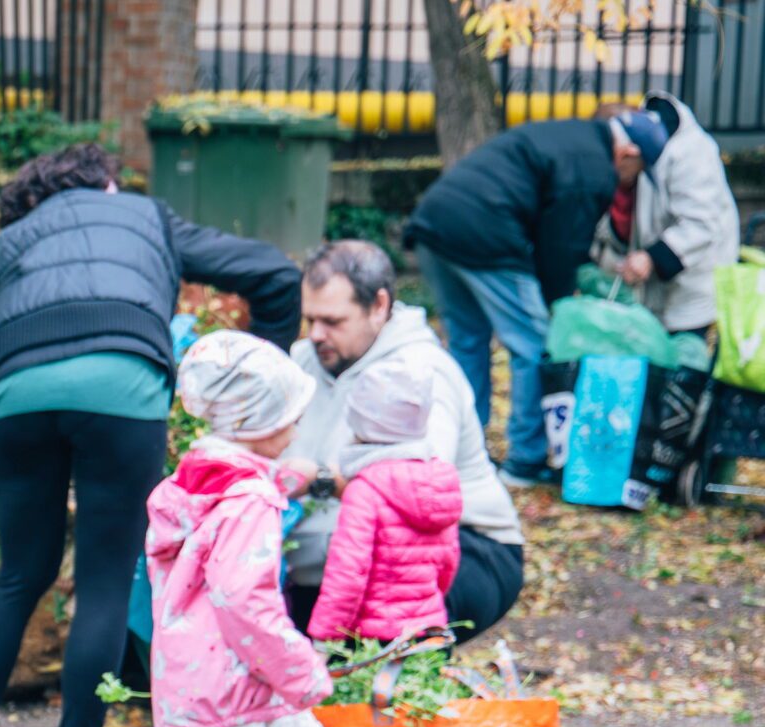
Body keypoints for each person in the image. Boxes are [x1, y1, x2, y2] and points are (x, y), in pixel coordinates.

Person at [0, 143, 303, 727]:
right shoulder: (145, 216)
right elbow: (274, 273)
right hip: (121, 381)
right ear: (108, 186)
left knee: (20, 573)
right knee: (106, 581)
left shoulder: (9, 242)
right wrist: (261, 391)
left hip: (15, 388)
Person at [129, 331, 386, 727]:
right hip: (244, 674)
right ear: (256, 423)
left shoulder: (197, 484)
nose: (297, 425)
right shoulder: (248, 502)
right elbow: (244, 598)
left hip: (190, 671)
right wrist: (299, 670)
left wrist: (286, 479)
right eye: (289, 415)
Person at [283, 241, 527, 641]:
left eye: (332, 321)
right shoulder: (305, 360)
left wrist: (319, 479)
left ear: (379, 306)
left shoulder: (420, 373)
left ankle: (404, 674)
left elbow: (414, 493)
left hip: (462, 546)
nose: (316, 335)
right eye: (309, 319)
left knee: (387, 597)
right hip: (341, 552)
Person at [403, 117, 624, 486]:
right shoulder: (594, 165)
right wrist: (556, 301)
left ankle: (460, 452)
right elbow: (562, 244)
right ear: (627, 152)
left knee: (466, 343)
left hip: (433, 224)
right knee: (533, 346)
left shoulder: (569, 134)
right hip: (486, 236)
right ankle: (526, 459)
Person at [303, 362, 462, 643]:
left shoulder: (365, 490)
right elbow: (448, 562)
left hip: (374, 639)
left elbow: (348, 573)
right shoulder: (439, 483)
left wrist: (325, 637)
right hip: (427, 632)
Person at [590, 95, 742, 336]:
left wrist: (651, 258)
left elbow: (700, 225)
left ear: (629, 152)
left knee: (684, 351)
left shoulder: (692, 153)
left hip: (692, 289)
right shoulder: (643, 138)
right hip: (652, 294)